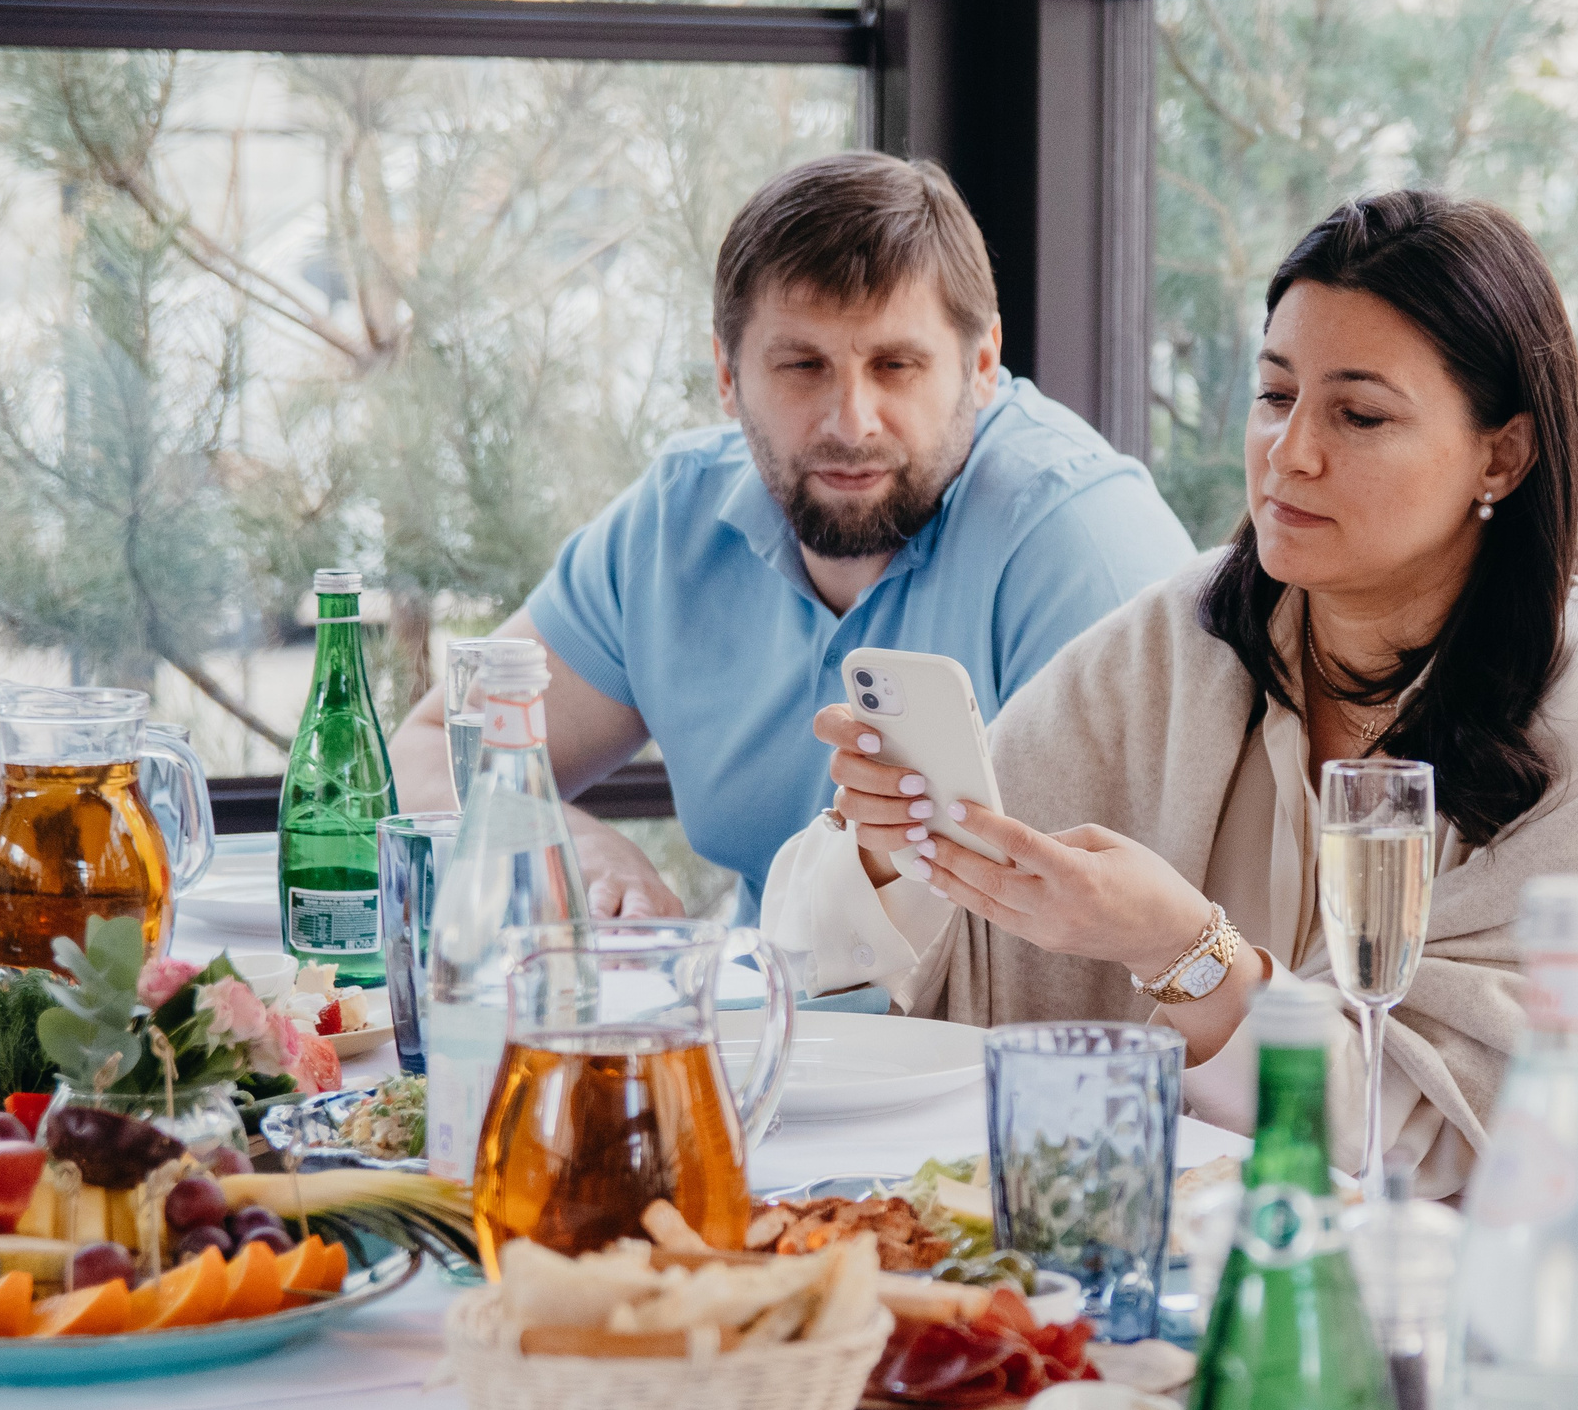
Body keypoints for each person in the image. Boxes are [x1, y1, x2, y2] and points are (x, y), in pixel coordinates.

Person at [774, 189, 1578, 1228]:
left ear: (1501, 456)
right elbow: (888, 985)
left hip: (1538, 1322)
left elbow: (1452, 1153)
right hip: (1203, 1282)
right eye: (1274, 395)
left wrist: (1189, 955)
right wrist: (897, 857)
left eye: (1359, 415)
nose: (1290, 453)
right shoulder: (1176, 643)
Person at [388, 153, 1196, 922]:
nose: (851, 422)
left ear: (982, 362)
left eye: (896, 365)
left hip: (994, 1053)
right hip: (771, 1044)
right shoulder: (673, 521)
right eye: (803, 366)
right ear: (728, 373)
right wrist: (575, 848)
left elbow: (1147, 915)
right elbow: (431, 752)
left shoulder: (1082, 542)